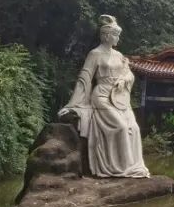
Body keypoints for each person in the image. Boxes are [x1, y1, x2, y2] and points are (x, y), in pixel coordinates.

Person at [59, 15, 150, 178]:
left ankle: (132, 166)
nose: (118, 38)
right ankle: (118, 167)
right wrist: (73, 103)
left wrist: (124, 79)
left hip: (120, 98)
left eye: (118, 35)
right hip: (102, 96)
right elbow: (85, 78)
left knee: (134, 128)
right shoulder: (95, 54)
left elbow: (129, 74)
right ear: (106, 35)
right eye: (115, 35)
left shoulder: (120, 55)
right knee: (121, 127)